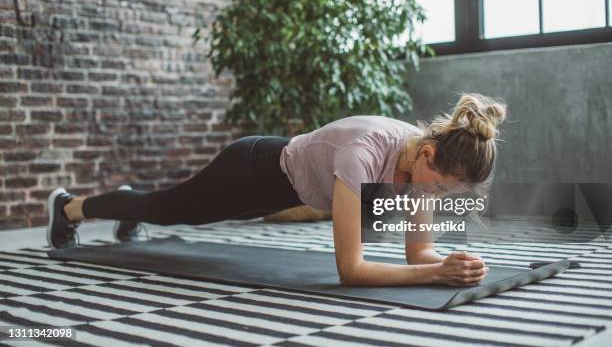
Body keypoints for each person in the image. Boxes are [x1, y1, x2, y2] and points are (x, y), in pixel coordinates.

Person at [47, 92, 506, 287]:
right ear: (427, 154)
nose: (439, 198)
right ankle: (69, 207)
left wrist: (451, 263)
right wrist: (433, 275)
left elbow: (418, 253)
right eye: (442, 187)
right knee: (167, 209)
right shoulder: (363, 153)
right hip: (249, 170)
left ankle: (135, 204)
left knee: (163, 205)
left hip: (283, 190)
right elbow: (351, 270)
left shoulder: (423, 169)